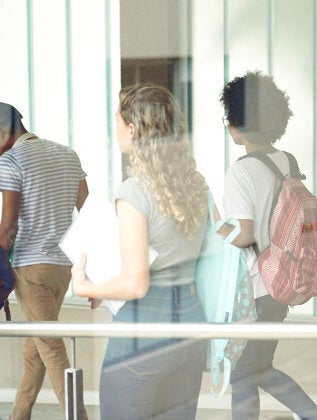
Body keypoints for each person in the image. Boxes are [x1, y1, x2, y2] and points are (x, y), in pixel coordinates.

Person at [72, 84, 210, 419]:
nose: (115, 127)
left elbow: (136, 283)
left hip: (144, 327)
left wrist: (87, 287)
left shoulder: (134, 192)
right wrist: (108, 288)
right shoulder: (196, 185)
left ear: (132, 129)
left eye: (117, 120)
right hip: (192, 322)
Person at [220, 71, 317, 420]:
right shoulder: (287, 161)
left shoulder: (240, 172)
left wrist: (215, 229)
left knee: (245, 372)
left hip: (255, 286)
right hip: (283, 281)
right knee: (256, 368)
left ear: (237, 123)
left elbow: (244, 235)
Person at [0, 103, 89, 420]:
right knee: (36, 349)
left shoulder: (11, 161)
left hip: (32, 270)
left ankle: (78, 416)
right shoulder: (68, 154)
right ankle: (18, 415)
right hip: (62, 269)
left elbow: (8, 228)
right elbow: (88, 213)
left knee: (50, 347)